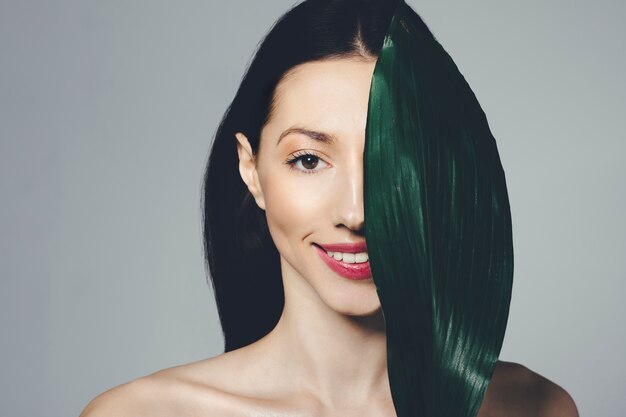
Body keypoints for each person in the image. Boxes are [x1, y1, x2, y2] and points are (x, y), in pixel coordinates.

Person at [80, 1, 579, 416]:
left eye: (393, 157)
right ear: (251, 170)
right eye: (309, 159)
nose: (357, 210)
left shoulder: (531, 407)